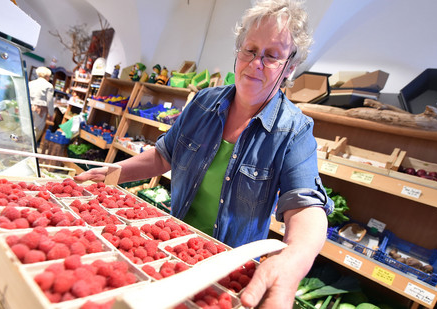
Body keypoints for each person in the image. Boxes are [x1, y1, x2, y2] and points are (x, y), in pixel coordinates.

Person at [75, 0, 333, 307]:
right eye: (250, 50)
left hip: (227, 269)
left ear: (290, 67)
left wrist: (293, 260)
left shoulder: (294, 130)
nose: (255, 63)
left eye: (272, 56)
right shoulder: (203, 103)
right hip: (169, 248)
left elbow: (305, 206)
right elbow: (163, 156)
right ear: (238, 50)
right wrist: (112, 173)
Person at [28, 66, 54, 142]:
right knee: (36, 129)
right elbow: (49, 101)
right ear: (47, 76)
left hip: (29, 106)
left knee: (28, 127)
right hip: (40, 110)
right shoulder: (48, 85)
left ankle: (24, 145)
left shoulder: (31, 83)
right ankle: (31, 147)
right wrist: (51, 114)